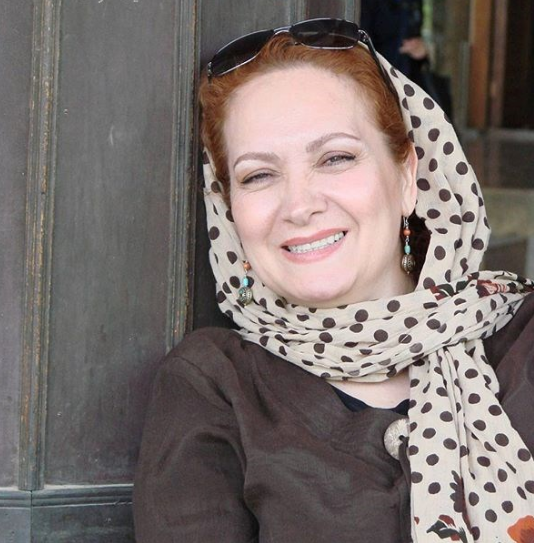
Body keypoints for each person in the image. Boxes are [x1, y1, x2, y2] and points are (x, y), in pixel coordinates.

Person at [133, 18, 534, 542]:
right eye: (259, 175)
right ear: (229, 209)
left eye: (336, 158)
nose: (299, 205)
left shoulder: (523, 339)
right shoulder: (216, 385)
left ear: (406, 176)